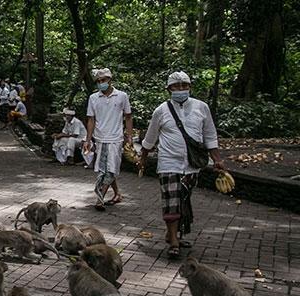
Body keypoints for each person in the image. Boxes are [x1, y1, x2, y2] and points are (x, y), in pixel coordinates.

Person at [139, 71, 225, 259]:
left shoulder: (201, 108)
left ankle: (173, 234)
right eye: (176, 87)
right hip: (168, 162)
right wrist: (143, 158)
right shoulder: (161, 110)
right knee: (171, 201)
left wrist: (217, 159)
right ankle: (174, 244)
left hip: (192, 165)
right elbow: (150, 137)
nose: (180, 89)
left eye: (184, 86)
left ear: (189, 87)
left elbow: (210, 135)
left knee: (183, 200)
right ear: (169, 89)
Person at [83, 68, 132, 211]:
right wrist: (88, 139)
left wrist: (129, 137)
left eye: (103, 80)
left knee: (109, 169)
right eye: (98, 81)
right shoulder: (93, 98)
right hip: (100, 138)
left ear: (110, 80)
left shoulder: (122, 96)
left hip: (116, 138)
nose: (101, 83)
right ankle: (117, 194)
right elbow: (91, 120)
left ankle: (99, 198)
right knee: (107, 168)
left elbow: (128, 116)